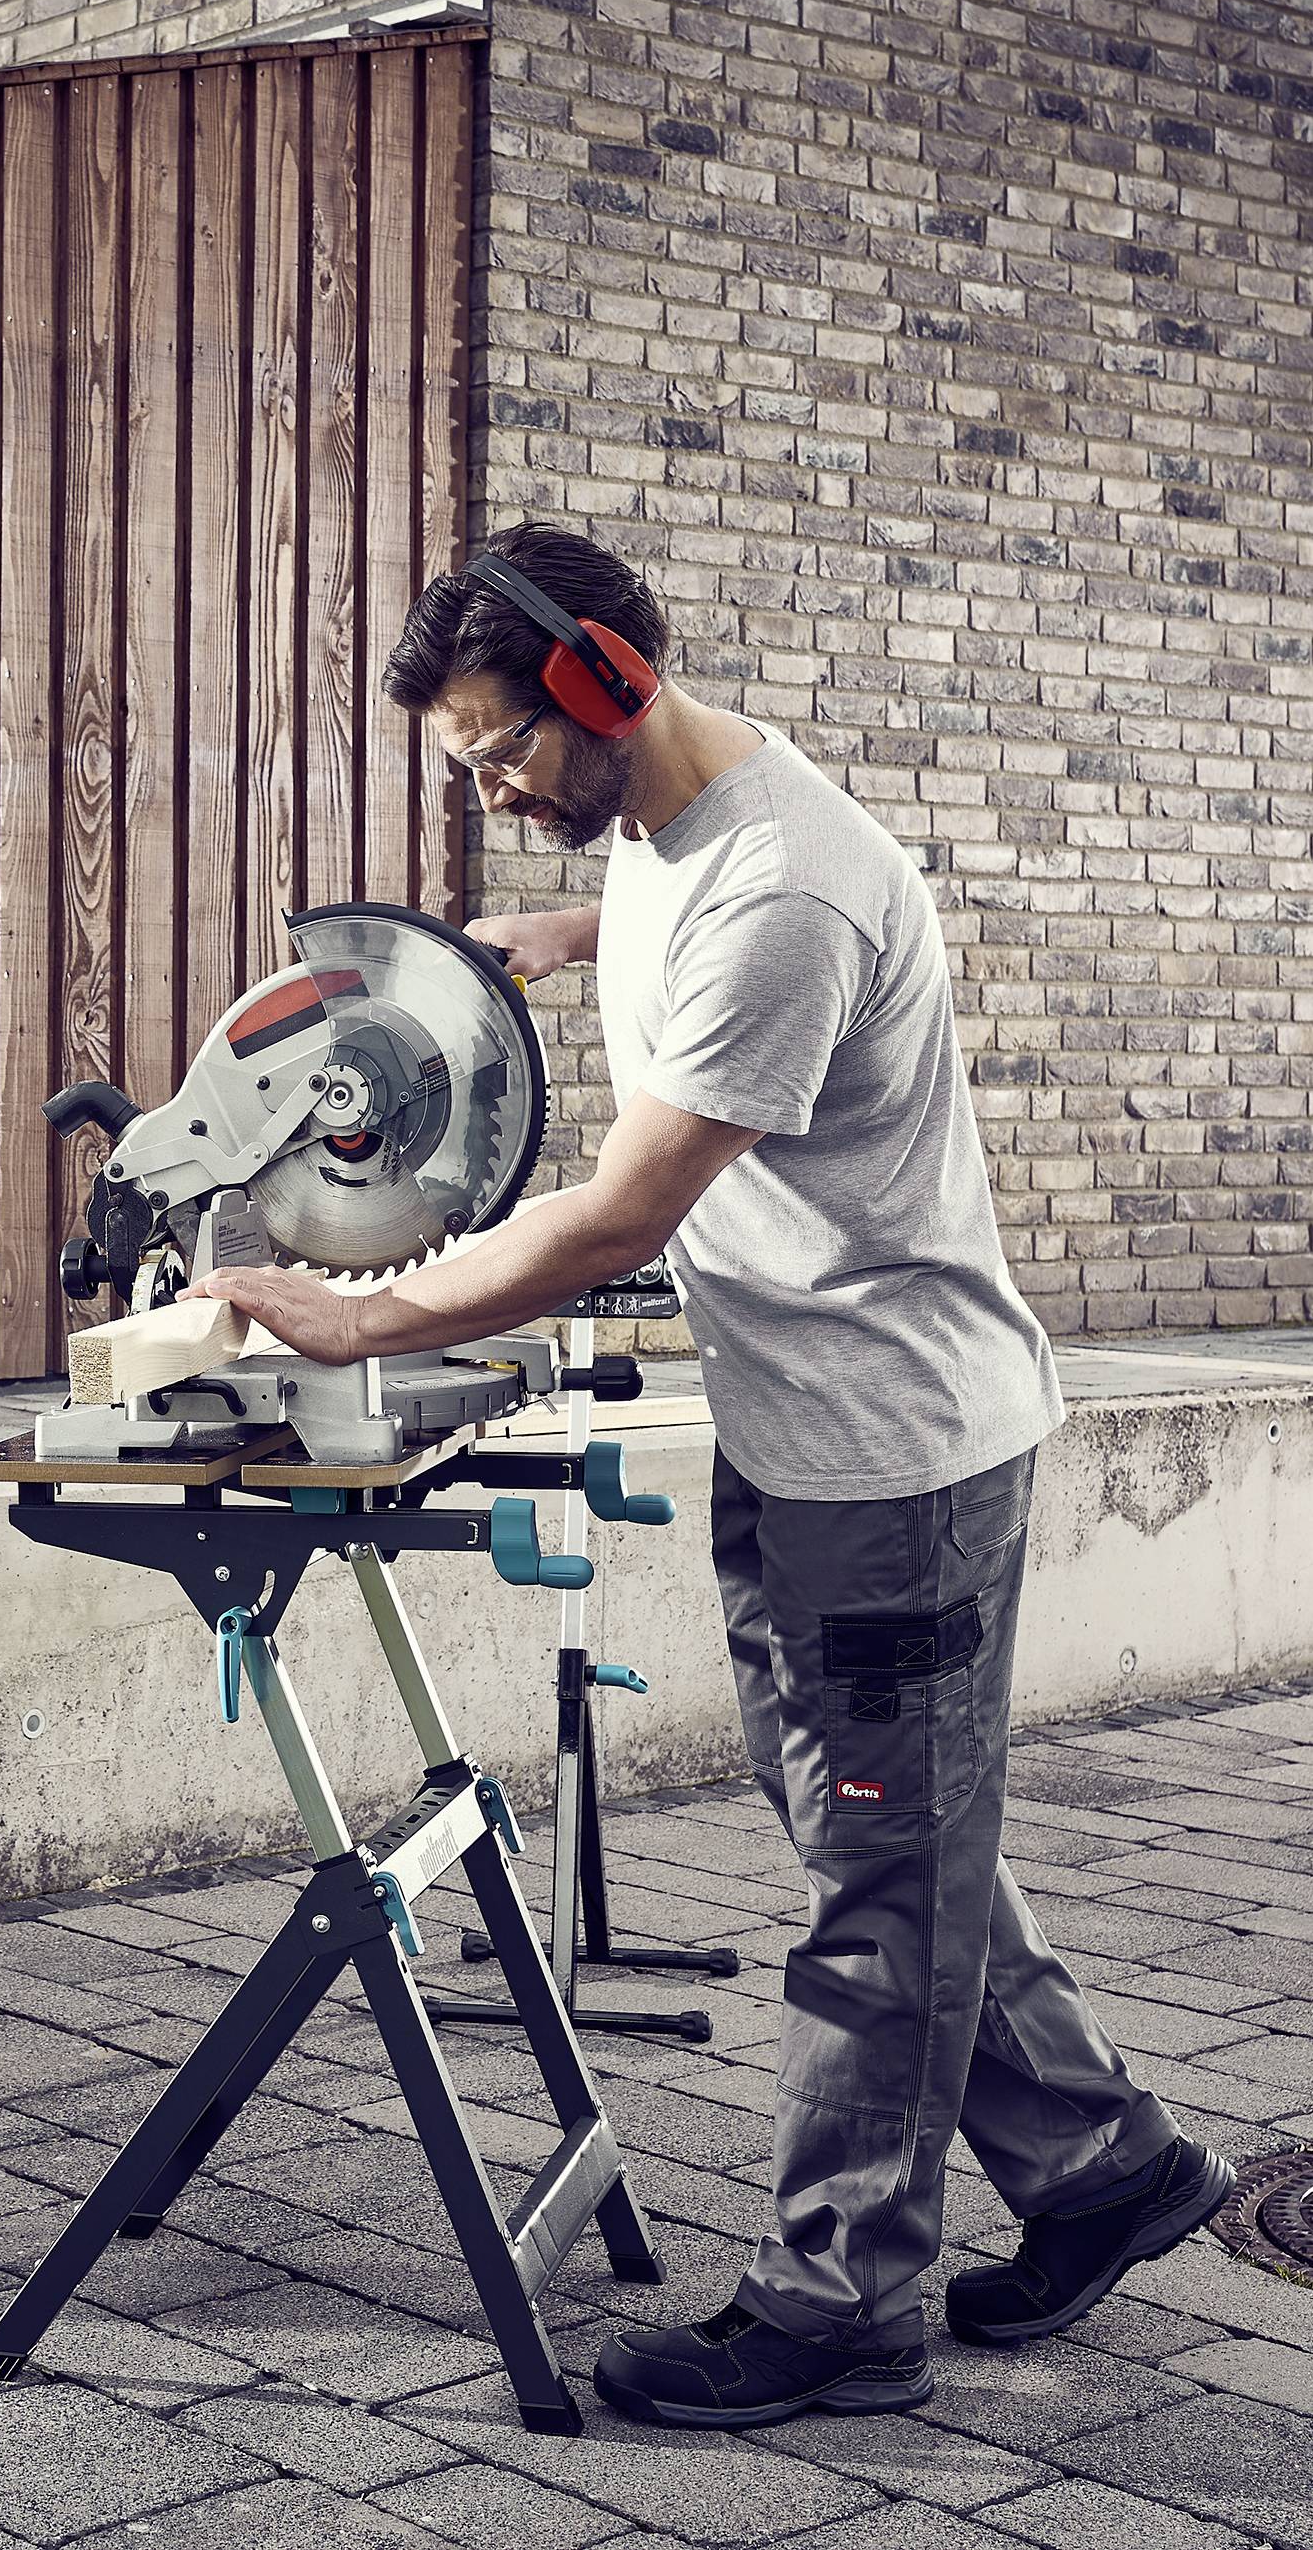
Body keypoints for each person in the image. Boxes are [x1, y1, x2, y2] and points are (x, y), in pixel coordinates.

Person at [195, 523, 1234, 2431]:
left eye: (505, 755)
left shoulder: (783, 898)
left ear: (608, 683)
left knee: (878, 1883)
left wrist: (361, 1317)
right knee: (890, 1840)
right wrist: (556, 934)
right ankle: (1105, 2166)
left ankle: (841, 2301)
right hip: (805, 1430)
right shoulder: (677, 826)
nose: (497, 798)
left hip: (894, 1464)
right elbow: (678, 911)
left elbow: (614, 1216)